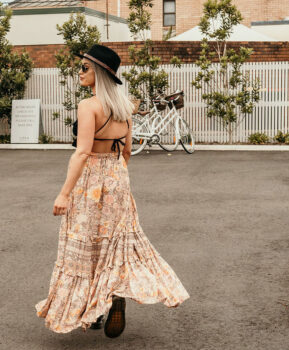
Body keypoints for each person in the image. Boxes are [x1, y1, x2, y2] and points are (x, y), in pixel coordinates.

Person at [35, 45, 189, 338]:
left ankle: (88, 308)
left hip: (91, 181)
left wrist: (65, 193)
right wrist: (115, 177)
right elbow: (127, 151)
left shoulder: (88, 106)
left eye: (84, 68)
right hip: (118, 178)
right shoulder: (124, 106)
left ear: (100, 74)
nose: (79, 72)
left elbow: (81, 154)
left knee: (85, 247)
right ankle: (109, 298)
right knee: (115, 244)